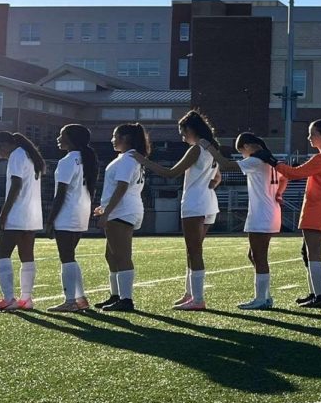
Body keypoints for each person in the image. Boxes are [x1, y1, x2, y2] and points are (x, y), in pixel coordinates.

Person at [133, 110, 221, 311]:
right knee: (193, 250)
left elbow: (171, 173)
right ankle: (190, 294)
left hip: (194, 203)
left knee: (194, 251)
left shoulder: (197, 149)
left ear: (191, 129)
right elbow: (217, 179)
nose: (182, 137)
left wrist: (143, 160)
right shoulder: (212, 148)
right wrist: (206, 187)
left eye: (183, 132)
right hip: (208, 203)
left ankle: (198, 299)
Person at [205, 132, 287, 310]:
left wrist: (208, 147)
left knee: (259, 256)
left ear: (247, 146)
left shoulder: (256, 160)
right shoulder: (269, 159)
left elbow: (226, 165)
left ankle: (261, 299)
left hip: (261, 214)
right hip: (268, 211)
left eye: (241, 151)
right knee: (254, 255)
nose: (243, 155)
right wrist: (278, 193)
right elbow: (284, 177)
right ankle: (264, 296)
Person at [275, 119, 321, 309]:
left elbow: (295, 173)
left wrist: (275, 163)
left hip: (316, 209)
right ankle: (315, 293)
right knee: (308, 252)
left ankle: (320, 296)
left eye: (313, 134)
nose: (309, 137)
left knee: (313, 253)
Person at [0, 131, 46, 313]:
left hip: (17, 213)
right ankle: (26, 299)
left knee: (2, 253)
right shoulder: (29, 155)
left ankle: (8, 298)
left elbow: (16, 185)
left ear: (4, 144)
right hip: (32, 214)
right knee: (27, 256)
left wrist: (3, 214)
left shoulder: (16, 155)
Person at [94, 124, 149, 313]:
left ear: (125, 138)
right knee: (111, 255)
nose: (112, 139)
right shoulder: (128, 158)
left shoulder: (128, 158)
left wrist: (108, 212)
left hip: (123, 211)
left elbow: (122, 187)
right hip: (123, 209)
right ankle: (116, 295)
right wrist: (105, 208)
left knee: (122, 256)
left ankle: (126, 299)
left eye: (114, 135)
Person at [45, 124, 98, 313]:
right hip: (80, 211)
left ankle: (70, 301)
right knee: (70, 257)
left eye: (62, 135)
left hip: (67, 213)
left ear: (72, 139)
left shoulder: (68, 161)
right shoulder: (84, 159)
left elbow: (60, 194)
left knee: (66, 257)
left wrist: (50, 220)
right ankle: (80, 298)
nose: (58, 138)